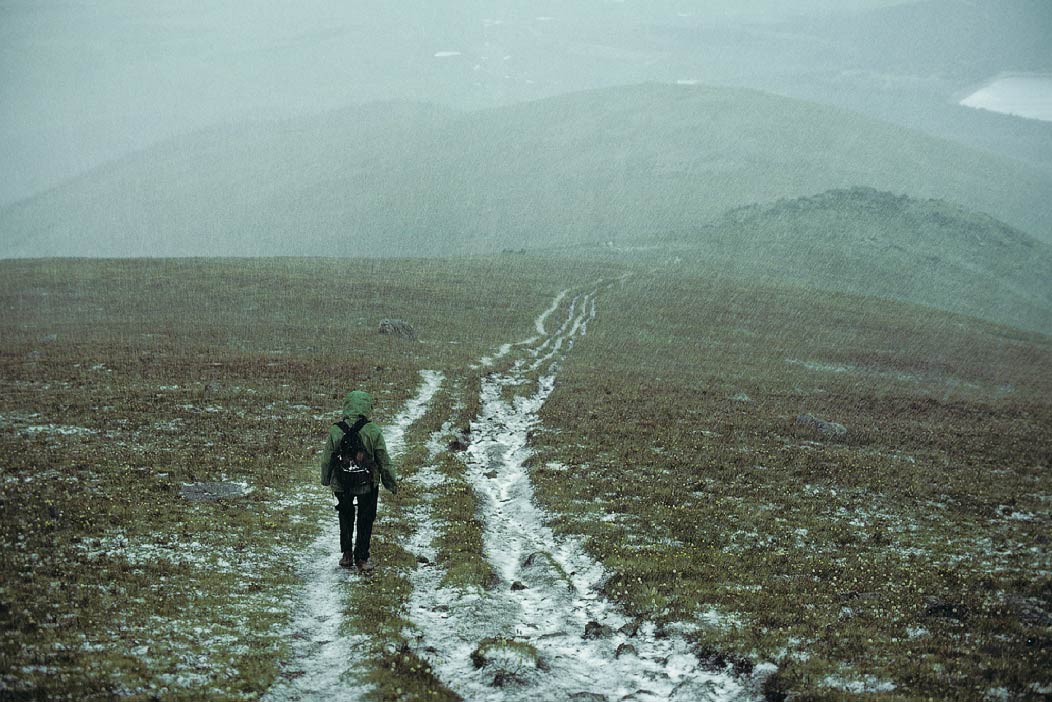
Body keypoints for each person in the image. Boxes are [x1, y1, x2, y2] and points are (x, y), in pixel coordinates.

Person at [320, 390, 398, 572]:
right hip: (368, 484)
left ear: (346, 406)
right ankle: (362, 558)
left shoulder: (335, 430)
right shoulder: (373, 430)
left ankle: (346, 554)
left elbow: (327, 459)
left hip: (341, 483)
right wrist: (391, 483)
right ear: (367, 407)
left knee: (345, 515)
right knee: (366, 518)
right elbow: (383, 460)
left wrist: (325, 479)